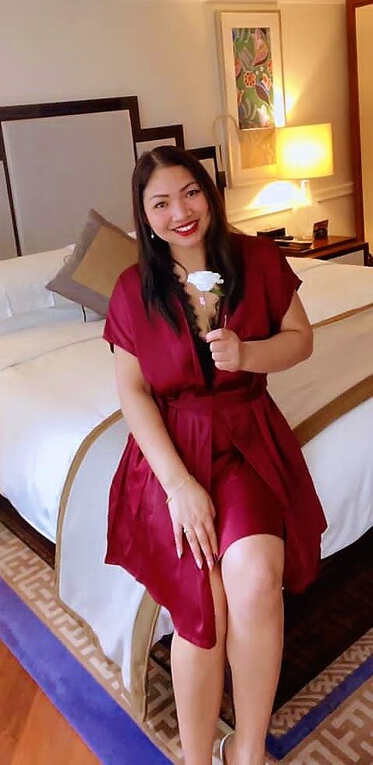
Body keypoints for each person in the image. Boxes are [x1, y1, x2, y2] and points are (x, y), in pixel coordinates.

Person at [103, 146, 327, 765]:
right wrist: (178, 487)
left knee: (255, 579)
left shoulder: (258, 258)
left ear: (210, 193)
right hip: (173, 453)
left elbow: (301, 339)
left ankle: (246, 750)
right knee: (203, 601)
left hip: (247, 437)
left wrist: (248, 355)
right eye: (161, 203)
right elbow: (132, 392)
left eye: (191, 192)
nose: (181, 212)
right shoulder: (132, 289)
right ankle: (197, 757)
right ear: (145, 218)